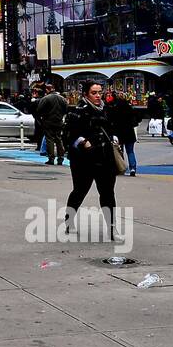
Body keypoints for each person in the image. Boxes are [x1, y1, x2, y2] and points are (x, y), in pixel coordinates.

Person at [63, 80, 122, 237]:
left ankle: (111, 227)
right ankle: (69, 221)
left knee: (108, 193)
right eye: (94, 93)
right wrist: (82, 141)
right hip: (84, 159)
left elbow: (113, 127)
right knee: (79, 191)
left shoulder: (107, 109)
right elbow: (68, 134)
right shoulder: (78, 111)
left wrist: (115, 137)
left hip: (105, 157)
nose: (98, 96)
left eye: (100, 92)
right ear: (85, 94)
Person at [105, 88, 138, 176]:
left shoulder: (113, 107)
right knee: (130, 151)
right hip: (129, 131)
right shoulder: (128, 106)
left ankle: (121, 167)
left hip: (118, 132)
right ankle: (133, 168)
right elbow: (136, 117)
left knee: (120, 150)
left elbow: (110, 119)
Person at [33, 84, 68, 165]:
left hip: (48, 121)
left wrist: (42, 118)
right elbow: (66, 109)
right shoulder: (62, 99)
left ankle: (51, 158)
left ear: (47, 90)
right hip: (59, 121)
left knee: (50, 139)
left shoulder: (46, 98)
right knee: (59, 139)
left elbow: (39, 109)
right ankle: (61, 158)